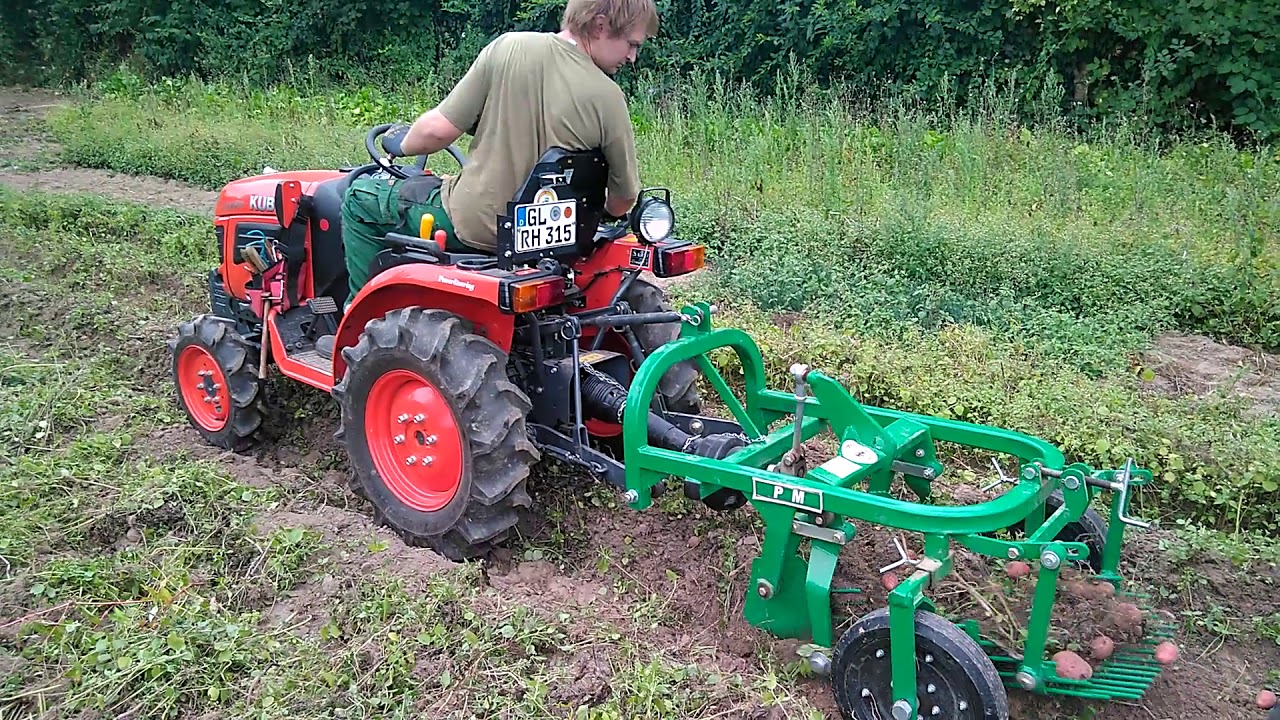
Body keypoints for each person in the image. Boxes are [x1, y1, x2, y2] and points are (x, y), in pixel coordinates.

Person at [334, 0, 658, 311]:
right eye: (631, 45)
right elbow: (623, 197)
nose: (632, 57)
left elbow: (436, 132)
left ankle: (358, 317)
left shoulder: (509, 49)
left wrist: (400, 145)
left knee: (361, 197)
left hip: (476, 227)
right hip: (557, 242)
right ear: (600, 26)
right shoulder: (609, 98)